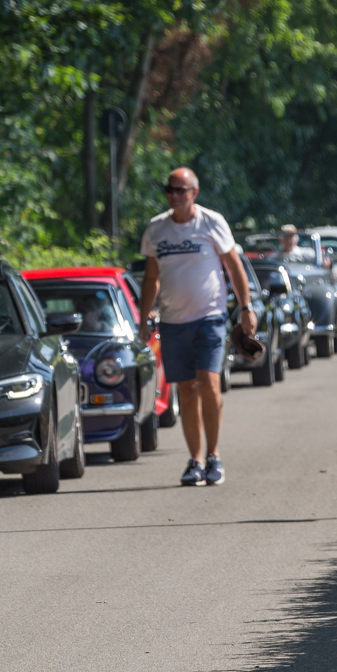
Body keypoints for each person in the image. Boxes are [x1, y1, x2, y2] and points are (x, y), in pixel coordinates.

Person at [138, 167, 257, 488]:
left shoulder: (211, 222)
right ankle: (195, 460)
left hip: (210, 318)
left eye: (181, 190)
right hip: (173, 322)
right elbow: (152, 277)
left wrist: (246, 308)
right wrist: (142, 318)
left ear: (195, 192)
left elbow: (233, 266)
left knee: (209, 384)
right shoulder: (156, 229)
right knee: (186, 392)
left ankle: (215, 456)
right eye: (170, 189)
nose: (174, 195)